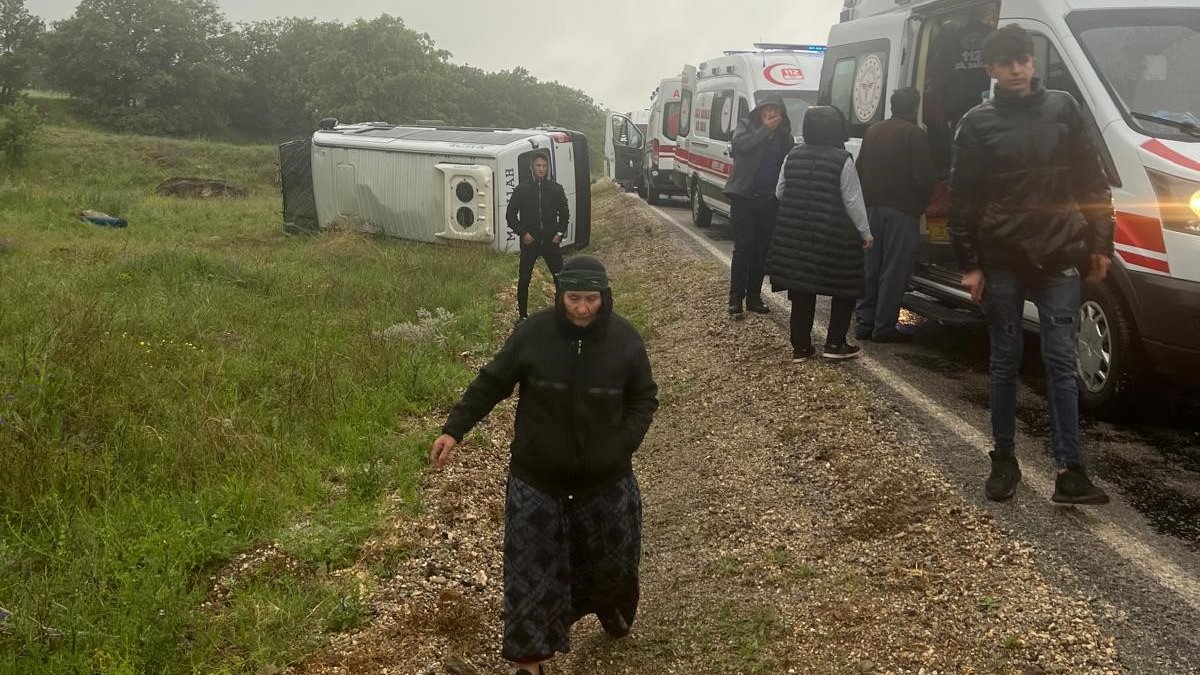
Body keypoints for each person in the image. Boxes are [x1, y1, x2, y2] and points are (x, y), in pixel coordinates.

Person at [430, 255, 659, 675]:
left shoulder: (625, 340)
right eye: (574, 298)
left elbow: (644, 397)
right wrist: (454, 429)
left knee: (615, 564)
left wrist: (623, 444)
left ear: (604, 297)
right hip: (536, 478)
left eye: (591, 299)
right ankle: (530, 661)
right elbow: (492, 381)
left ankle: (610, 607)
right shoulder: (531, 334)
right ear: (559, 295)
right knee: (528, 573)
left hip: (605, 479)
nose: (582, 308)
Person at [949, 24, 1113, 505]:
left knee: (1061, 362)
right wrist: (970, 264)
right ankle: (1004, 459)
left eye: (1023, 59)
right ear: (991, 69)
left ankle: (1070, 470)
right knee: (1004, 361)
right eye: (1006, 62)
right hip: (1001, 260)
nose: (1016, 69)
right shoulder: (975, 124)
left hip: (1060, 255)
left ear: (1034, 62)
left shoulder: (1064, 109)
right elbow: (963, 200)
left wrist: (1101, 242)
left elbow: (1093, 181)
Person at [769, 106, 874, 362]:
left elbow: (780, 192)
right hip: (833, 236)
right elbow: (852, 201)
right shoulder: (842, 159)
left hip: (797, 233)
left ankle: (801, 348)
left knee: (802, 289)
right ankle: (835, 344)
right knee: (843, 288)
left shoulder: (792, 155)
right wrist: (866, 233)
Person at [854, 88, 937, 343]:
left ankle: (864, 323)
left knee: (870, 267)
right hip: (901, 212)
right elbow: (924, 178)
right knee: (893, 271)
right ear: (915, 108)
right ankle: (883, 327)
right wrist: (919, 207)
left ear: (892, 105)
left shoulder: (873, 131)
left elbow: (859, 168)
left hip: (870, 210)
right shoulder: (916, 135)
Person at [724, 95, 795, 319]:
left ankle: (754, 297)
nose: (771, 114)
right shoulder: (746, 126)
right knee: (744, 248)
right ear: (760, 112)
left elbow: (788, 164)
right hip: (744, 197)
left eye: (776, 110)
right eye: (767, 109)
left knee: (761, 251)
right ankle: (735, 300)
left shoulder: (785, 137)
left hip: (768, 200)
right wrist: (764, 130)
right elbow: (740, 146)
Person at [506, 150, 570, 324]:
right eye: (537, 166)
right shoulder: (522, 189)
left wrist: (559, 233)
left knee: (560, 279)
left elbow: (565, 214)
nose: (541, 169)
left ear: (548, 167)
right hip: (530, 242)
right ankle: (523, 316)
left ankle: (562, 314)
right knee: (524, 279)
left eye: (544, 165)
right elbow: (510, 214)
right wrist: (522, 233)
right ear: (531, 167)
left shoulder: (556, 189)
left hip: (551, 242)